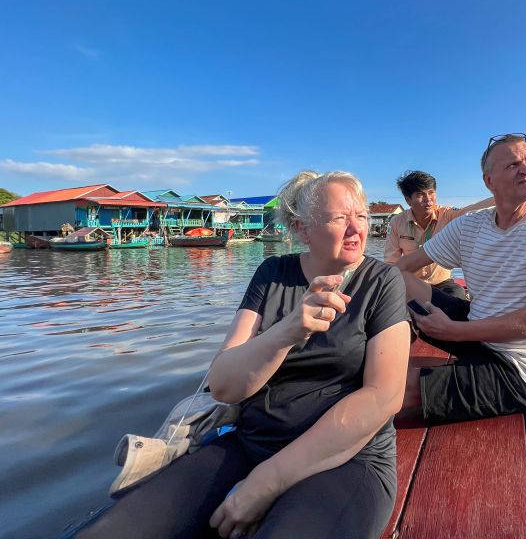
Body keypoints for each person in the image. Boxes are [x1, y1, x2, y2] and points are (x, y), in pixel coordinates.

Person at [70, 171, 410, 539]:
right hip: (251, 444)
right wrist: (290, 328)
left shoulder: (381, 281)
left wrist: (266, 482)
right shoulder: (272, 274)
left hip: (347, 460)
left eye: (360, 215)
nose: (355, 228)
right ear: (303, 229)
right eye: (339, 218)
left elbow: (383, 397)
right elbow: (223, 386)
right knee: (111, 531)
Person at [395, 134, 526, 425]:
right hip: (481, 333)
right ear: (489, 181)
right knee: (399, 280)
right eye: (512, 164)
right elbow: (403, 266)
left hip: (525, 368)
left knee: (390, 391)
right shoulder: (470, 225)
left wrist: (453, 330)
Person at [384, 164, 526, 298]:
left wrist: (515, 193)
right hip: (410, 283)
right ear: (408, 200)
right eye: (420, 195)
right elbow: (391, 263)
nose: (428, 199)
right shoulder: (397, 222)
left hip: (442, 284)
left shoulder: (448, 215)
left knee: (457, 296)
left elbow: (476, 209)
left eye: (431, 193)